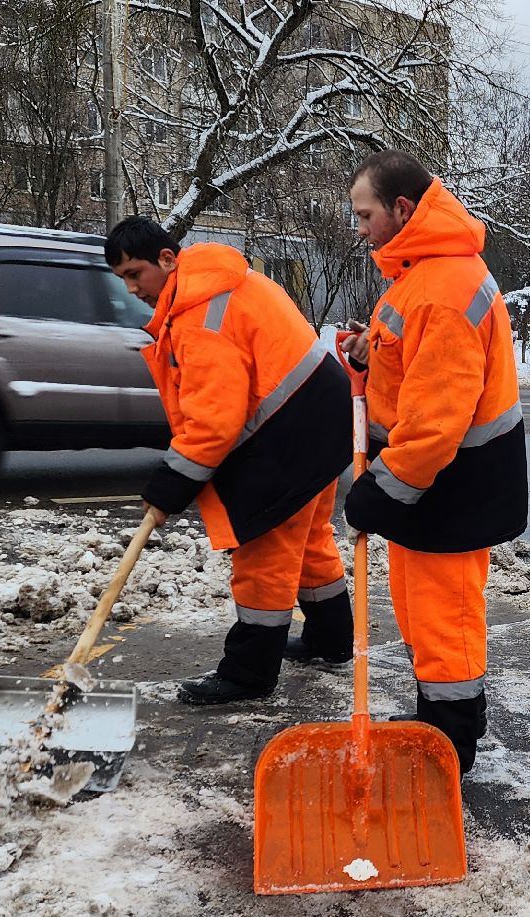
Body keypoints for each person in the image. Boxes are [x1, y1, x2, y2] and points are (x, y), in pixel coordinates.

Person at [106, 217, 354, 705]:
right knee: (309, 542)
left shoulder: (199, 313)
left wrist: (168, 488)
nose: (132, 289)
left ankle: (247, 675)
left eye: (135, 273)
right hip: (320, 422)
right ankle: (330, 640)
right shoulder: (221, 281)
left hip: (289, 434)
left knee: (262, 555)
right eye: (123, 280)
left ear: (166, 259)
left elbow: (214, 421)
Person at [340, 149, 527, 773]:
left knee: (445, 619)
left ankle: (450, 742)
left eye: (365, 215)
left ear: (401, 209)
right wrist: (369, 350)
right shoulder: (422, 273)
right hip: (430, 486)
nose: (360, 229)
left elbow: (435, 421)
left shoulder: (443, 288)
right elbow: (412, 361)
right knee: (422, 612)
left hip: (451, 485)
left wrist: (379, 491)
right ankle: (438, 720)